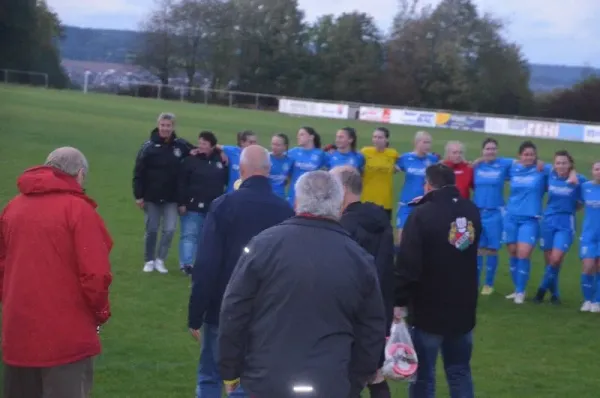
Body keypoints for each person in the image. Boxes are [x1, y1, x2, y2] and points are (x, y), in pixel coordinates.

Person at [218, 170, 386, 398]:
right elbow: (372, 331)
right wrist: (353, 380)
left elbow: (234, 310)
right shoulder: (359, 258)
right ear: (338, 206)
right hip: (323, 381)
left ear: (297, 202)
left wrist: (230, 369)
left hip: (272, 379)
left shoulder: (264, 245)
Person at [1, 147, 113, 398]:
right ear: (80, 174)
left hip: (18, 333)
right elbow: (96, 275)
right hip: (66, 339)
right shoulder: (79, 210)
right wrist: (100, 313)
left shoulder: (13, 207)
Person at [188, 145, 294, 398]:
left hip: (222, 308)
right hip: (266, 310)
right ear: (268, 171)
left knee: (211, 374)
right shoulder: (286, 211)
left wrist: (195, 313)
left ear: (241, 170)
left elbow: (207, 263)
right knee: (251, 379)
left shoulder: (223, 205)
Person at [395, 163, 481, 398]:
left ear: (429, 184)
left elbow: (408, 264)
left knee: (423, 376)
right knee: (460, 371)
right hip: (463, 308)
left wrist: (398, 299)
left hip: (429, 310)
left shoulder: (422, 214)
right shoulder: (472, 211)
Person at [333, 166, 394, 398]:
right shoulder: (381, 222)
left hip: (349, 315)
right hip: (378, 311)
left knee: (346, 380)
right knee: (373, 373)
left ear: (343, 189)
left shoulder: (344, 227)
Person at [133, 112, 195, 274]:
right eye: (163, 125)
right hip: (151, 196)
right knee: (152, 229)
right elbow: (138, 172)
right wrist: (138, 195)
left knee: (169, 230)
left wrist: (219, 151)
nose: (165, 128)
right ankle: (149, 260)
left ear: (173, 126)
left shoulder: (181, 146)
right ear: (158, 125)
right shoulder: (148, 147)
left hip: (172, 197)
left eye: (168, 125)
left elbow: (198, 152)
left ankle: (161, 260)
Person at [533, 150, 586, 305]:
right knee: (549, 260)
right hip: (548, 221)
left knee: (556, 259)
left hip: (565, 223)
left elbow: (581, 203)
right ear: (554, 164)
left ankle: (541, 292)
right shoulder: (550, 173)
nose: (561, 166)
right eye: (558, 163)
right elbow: (538, 162)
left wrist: (569, 209)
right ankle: (555, 295)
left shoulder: (579, 180)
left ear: (570, 164)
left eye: (564, 163)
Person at [504, 141, 551, 304]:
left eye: (532, 154)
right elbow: (494, 160)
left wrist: (573, 173)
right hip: (511, 216)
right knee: (512, 251)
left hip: (530, 218)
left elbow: (563, 170)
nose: (529, 157)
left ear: (536, 156)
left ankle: (520, 292)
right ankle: (516, 288)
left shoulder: (542, 169)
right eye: (526, 154)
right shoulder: (513, 167)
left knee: (523, 253)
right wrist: (479, 160)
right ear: (519, 156)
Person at [177, 131, 228, 275]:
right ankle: (186, 264)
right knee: (189, 235)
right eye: (200, 143)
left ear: (212, 146)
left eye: (204, 144)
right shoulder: (190, 160)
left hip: (212, 207)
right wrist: (181, 202)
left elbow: (225, 182)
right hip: (192, 205)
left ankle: (200, 264)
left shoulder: (221, 161)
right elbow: (181, 182)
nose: (201, 146)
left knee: (205, 237)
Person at [472, 138, 513, 295]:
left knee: (492, 248)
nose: (490, 151)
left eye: (493, 149)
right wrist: (477, 161)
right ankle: (475, 282)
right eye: (488, 148)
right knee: (477, 248)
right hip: (477, 211)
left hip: (495, 212)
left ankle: (488, 283)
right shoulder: (476, 166)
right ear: (482, 150)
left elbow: (521, 162)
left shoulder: (503, 164)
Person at [395, 131, 440, 244]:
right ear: (416, 142)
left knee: (423, 239)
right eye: (424, 142)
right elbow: (390, 168)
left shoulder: (433, 160)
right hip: (407, 204)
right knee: (402, 238)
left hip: (425, 204)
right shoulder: (405, 158)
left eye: (429, 143)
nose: (427, 146)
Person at [361, 127, 399, 220]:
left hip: (385, 201)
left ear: (386, 139)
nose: (376, 140)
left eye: (380, 137)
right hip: (367, 199)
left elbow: (404, 163)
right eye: (374, 137)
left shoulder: (393, 154)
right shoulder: (365, 152)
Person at [287, 126, 328, 206]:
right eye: (298, 135)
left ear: (311, 137)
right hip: (294, 195)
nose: (298, 137)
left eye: (302, 134)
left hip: (312, 196)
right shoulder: (293, 152)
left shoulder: (320, 154)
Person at [579, 161, 600, 312]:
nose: (599, 171)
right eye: (597, 169)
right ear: (592, 171)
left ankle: (597, 301)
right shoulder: (585, 187)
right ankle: (587, 300)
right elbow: (578, 204)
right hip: (589, 234)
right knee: (587, 267)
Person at [269, 133, 294, 199]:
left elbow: (289, 177)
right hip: (266, 195)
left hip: (280, 197)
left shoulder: (289, 161)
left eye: (278, 145)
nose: (274, 147)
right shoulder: (265, 158)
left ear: (285, 146)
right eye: (273, 144)